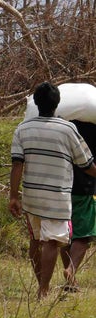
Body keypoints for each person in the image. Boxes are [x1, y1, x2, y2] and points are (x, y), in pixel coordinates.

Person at [10, 82, 96, 299]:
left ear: (36, 103)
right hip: (58, 195)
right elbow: (86, 164)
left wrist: (13, 196)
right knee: (53, 242)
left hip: (31, 196)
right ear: (57, 104)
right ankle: (43, 290)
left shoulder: (23, 129)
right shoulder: (68, 129)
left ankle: (41, 285)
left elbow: (17, 164)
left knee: (35, 241)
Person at [61, 120, 96, 291]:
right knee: (83, 235)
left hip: (61, 185)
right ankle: (71, 270)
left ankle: (70, 281)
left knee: (65, 233)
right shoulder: (93, 122)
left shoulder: (66, 123)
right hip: (85, 186)